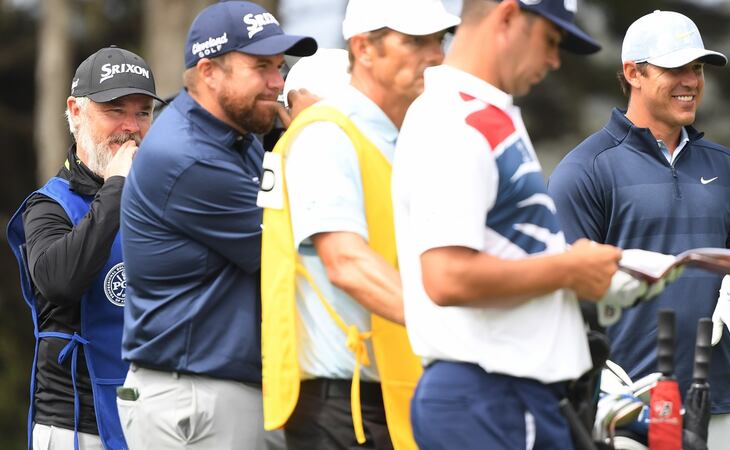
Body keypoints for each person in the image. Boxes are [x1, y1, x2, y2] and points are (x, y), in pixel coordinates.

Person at [391, 0, 642, 448]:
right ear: (507, 16)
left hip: (511, 395)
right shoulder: (453, 118)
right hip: (489, 394)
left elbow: (508, 254)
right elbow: (446, 276)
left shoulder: (486, 113)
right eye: (550, 40)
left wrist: (585, 275)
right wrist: (571, 269)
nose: (553, 60)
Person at [548, 10, 730, 449]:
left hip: (715, 406)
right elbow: (560, 287)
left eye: (698, 68)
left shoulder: (723, 166)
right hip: (623, 408)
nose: (691, 80)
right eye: (675, 68)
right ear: (633, 72)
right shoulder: (585, 170)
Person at [259, 1, 460, 449]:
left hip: (395, 396)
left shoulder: (399, 137)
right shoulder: (325, 134)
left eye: (439, 40)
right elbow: (347, 264)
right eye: (415, 41)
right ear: (364, 48)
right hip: (345, 410)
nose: (436, 55)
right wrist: (461, 332)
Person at [116, 2, 316, 448]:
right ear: (208, 73)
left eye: (280, 67)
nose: (278, 83)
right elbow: (295, 248)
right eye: (261, 67)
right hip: (199, 397)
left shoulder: (233, 136)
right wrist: (317, 138)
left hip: (211, 389)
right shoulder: (189, 158)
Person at [6, 46, 161, 450]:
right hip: (76, 425)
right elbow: (59, 282)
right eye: (115, 110)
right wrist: (115, 187)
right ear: (75, 112)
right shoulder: (47, 206)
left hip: (156, 416)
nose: (130, 126)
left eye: (142, 112)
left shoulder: (161, 201)